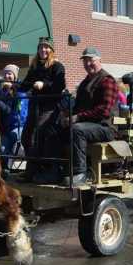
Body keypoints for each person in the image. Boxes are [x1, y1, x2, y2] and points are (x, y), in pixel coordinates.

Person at [56, 47, 118, 186]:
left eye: (91, 60)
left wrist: (77, 117)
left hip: (105, 127)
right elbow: (78, 108)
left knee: (76, 130)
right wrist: (67, 114)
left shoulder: (107, 80)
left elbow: (104, 111)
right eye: (85, 61)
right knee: (55, 129)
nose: (88, 64)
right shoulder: (85, 82)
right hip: (88, 125)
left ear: (99, 60)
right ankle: (58, 169)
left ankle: (80, 173)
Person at [20, 37, 66, 180]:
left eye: (46, 47)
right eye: (41, 47)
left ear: (51, 50)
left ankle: (32, 172)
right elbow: (25, 85)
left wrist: (44, 85)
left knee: (36, 137)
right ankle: (36, 166)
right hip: (35, 107)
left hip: (50, 109)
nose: (43, 50)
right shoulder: (34, 66)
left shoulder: (57, 67)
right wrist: (11, 86)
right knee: (26, 137)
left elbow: (59, 87)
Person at [0, 64, 29, 173]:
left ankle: (7, 169)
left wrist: (0, 102)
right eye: (5, 73)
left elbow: (18, 113)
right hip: (5, 128)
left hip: (19, 127)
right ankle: (3, 170)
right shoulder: (3, 90)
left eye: (10, 73)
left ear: (15, 76)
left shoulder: (21, 89)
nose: (7, 76)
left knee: (8, 148)